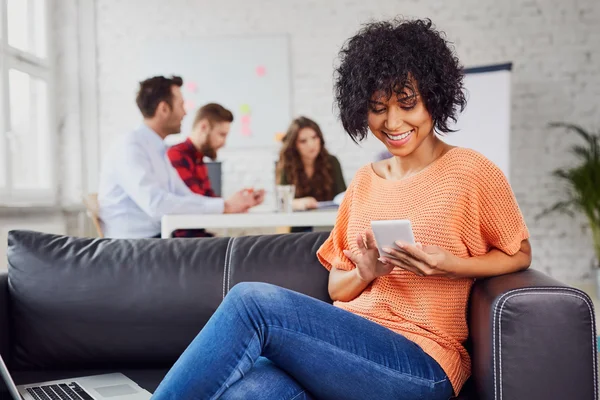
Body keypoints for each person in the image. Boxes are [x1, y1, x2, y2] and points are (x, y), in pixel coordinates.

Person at [151, 18, 532, 400]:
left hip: (422, 362)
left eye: (407, 103)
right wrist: (365, 272)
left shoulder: (471, 170)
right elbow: (337, 285)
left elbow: (519, 252)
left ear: (434, 96)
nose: (392, 121)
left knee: (251, 303)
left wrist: (451, 265)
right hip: (346, 349)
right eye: (378, 108)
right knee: (247, 393)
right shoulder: (365, 181)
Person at [98, 76, 264, 238]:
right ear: (164, 109)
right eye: (181, 105)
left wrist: (229, 204)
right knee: (229, 253)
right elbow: (156, 204)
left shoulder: (157, 149)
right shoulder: (131, 146)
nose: (185, 113)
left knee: (233, 250)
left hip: (157, 240)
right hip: (136, 248)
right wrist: (224, 206)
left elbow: (185, 196)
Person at [166, 103, 235, 238]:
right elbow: (194, 202)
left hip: (197, 235)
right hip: (183, 239)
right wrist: (228, 205)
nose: (224, 142)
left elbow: (208, 199)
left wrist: (236, 204)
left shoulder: (198, 159)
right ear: (204, 127)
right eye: (222, 134)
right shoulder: (177, 155)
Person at [277, 116, 346, 213]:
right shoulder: (286, 165)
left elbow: (342, 197)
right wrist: (299, 203)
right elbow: (281, 201)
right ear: (294, 145)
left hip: (330, 223)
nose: (311, 144)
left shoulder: (332, 161)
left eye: (314, 137)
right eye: (303, 141)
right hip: (300, 225)